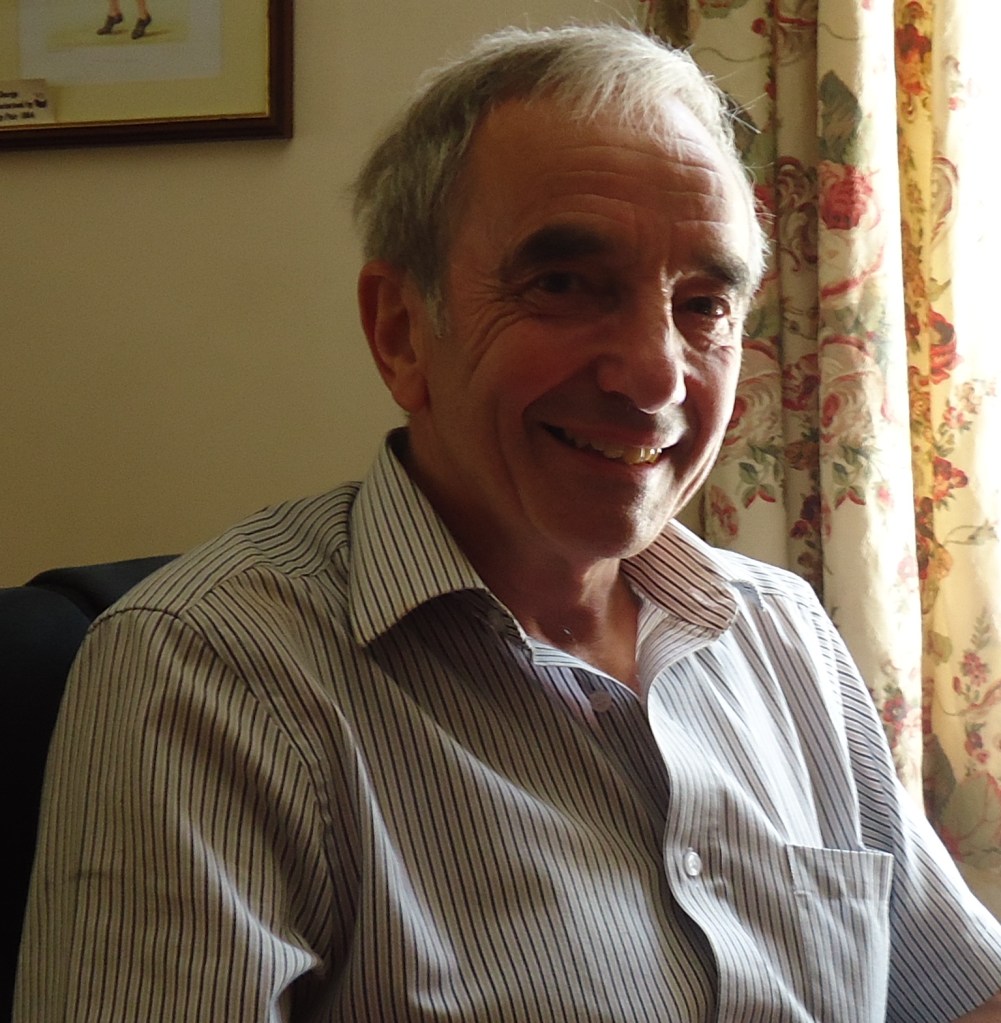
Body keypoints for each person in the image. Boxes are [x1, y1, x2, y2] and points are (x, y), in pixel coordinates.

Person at [14, 22, 1001, 1023]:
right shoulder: (205, 675)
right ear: (401, 332)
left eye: (703, 304)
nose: (655, 377)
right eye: (565, 286)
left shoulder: (781, 632)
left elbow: (958, 994)